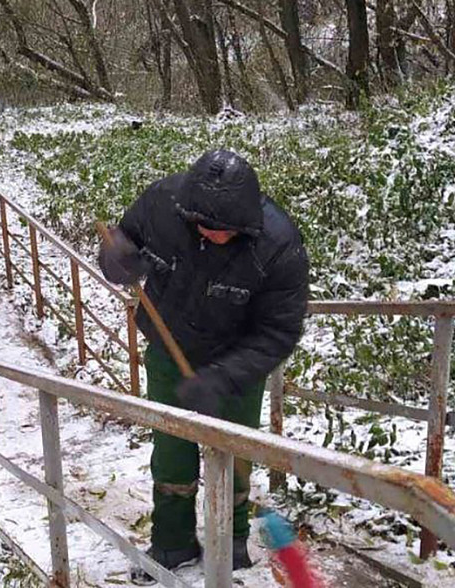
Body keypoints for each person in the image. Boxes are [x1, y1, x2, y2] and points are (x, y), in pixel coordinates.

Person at [98, 150, 309, 583]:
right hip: (167, 347)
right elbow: (122, 239)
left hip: (236, 362)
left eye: (222, 230)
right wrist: (116, 258)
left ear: (246, 223)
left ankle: (230, 541)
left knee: (231, 451)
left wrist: (224, 377)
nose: (211, 234)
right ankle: (172, 542)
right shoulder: (162, 202)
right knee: (172, 451)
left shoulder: (278, 245)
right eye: (203, 226)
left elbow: (279, 332)